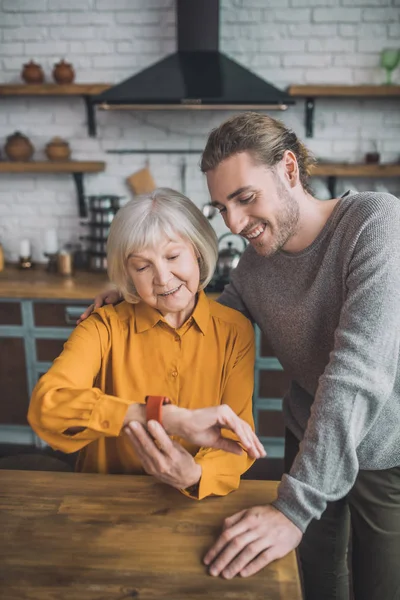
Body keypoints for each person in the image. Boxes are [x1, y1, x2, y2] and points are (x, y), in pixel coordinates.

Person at [81, 112, 400, 600]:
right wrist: (132, 294)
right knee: (311, 581)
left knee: (382, 584)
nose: (232, 223)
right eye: (220, 207)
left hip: (384, 449)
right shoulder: (255, 267)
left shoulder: (375, 224)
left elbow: (355, 377)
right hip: (309, 436)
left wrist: (292, 510)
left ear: (289, 170)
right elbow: (207, 319)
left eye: (245, 198)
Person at [28, 188, 266, 501]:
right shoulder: (104, 325)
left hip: (194, 501)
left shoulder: (235, 330)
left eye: (172, 256)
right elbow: (49, 406)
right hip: (106, 501)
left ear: (197, 250)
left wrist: (195, 474)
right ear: (127, 273)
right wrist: (155, 415)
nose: (163, 279)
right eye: (143, 267)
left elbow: (238, 436)